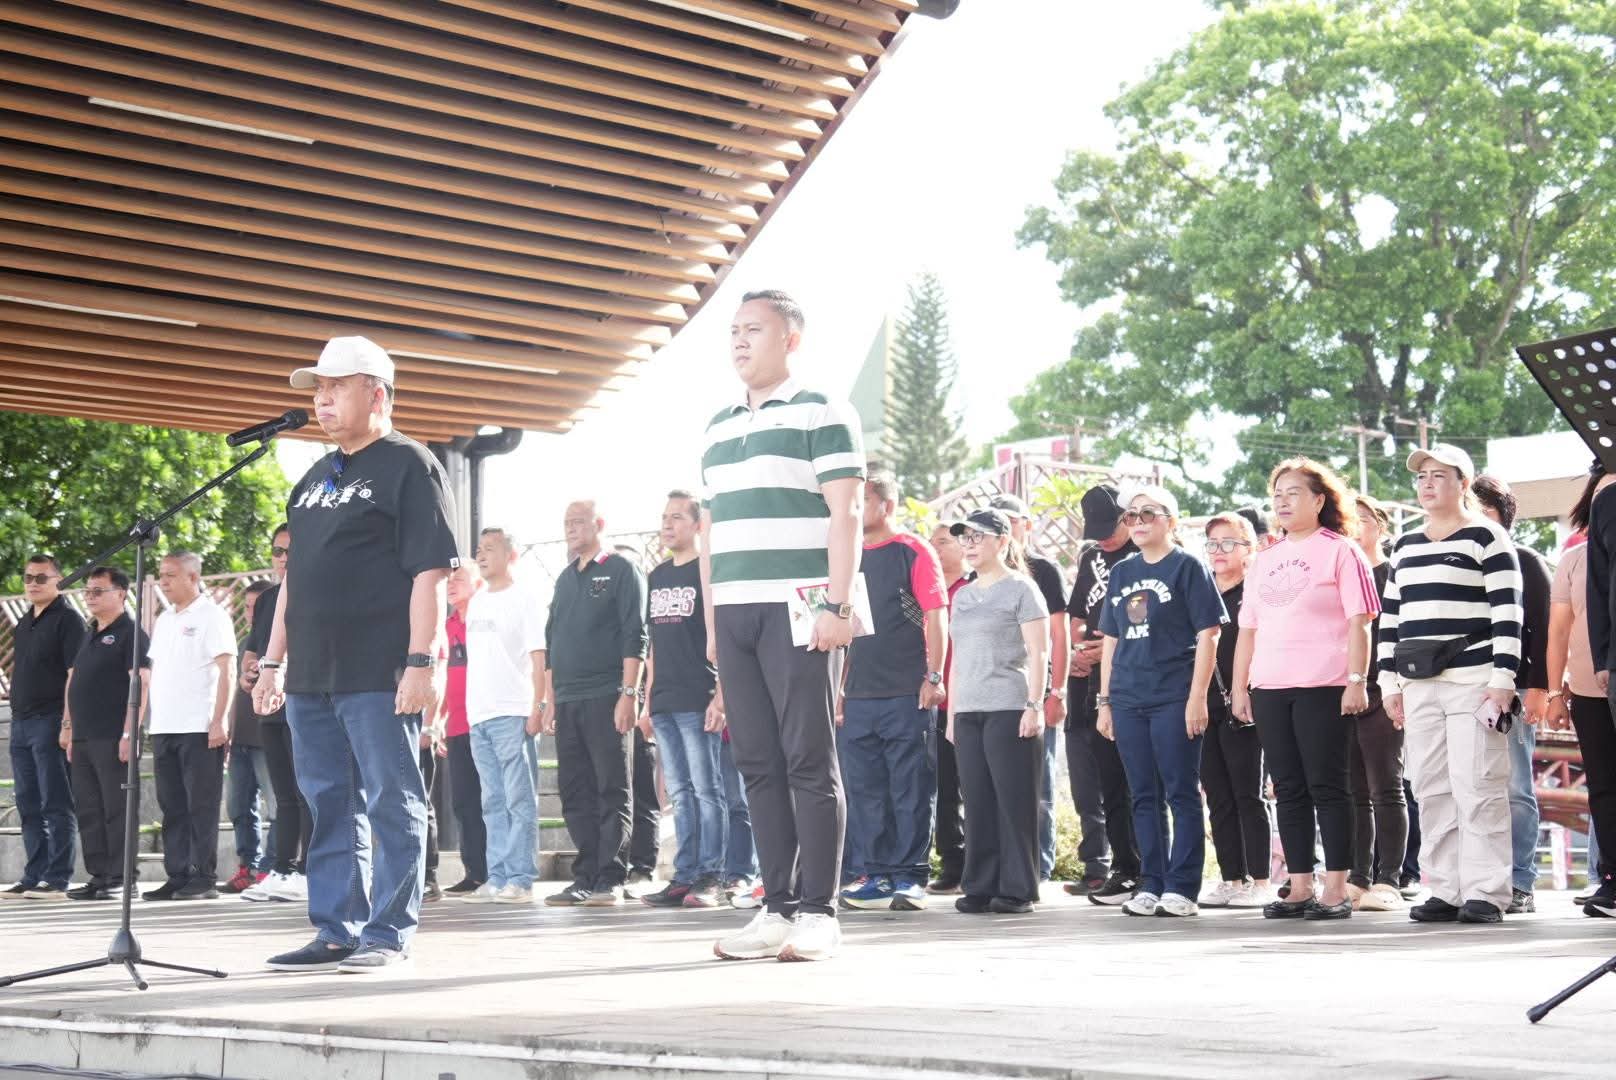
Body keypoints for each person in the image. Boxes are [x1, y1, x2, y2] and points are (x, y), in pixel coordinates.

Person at [254, 336, 461, 972]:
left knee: (392, 801)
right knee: (327, 801)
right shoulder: (312, 479)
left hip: (378, 668)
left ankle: (387, 933)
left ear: (376, 393)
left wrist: (421, 663)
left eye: (336, 386)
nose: (322, 399)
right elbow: (293, 582)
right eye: (318, 388)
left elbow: (430, 573)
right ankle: (336, 929)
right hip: (311, 673)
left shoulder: (411, 464)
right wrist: (272, 662)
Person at [704, 289, 864, 963]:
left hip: (800, 605)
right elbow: (711, 533)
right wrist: (712, 623)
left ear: (791, 340)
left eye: (755, 330)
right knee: (756, 763)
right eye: (734, 331)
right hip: (735, 610)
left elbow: (845, 514)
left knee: (808, 758)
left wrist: (838, 605)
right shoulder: (716, 427)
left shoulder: (824, 410)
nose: (740, 341)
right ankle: (776, 908)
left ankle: (820, 912)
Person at [1380, 443, 1522, 925]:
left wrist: (1503, 678)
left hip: (1474, 682)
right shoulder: (1404, 545)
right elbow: (1390, 618)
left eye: (1439, 475)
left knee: (1479, 784)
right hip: (1418, 685)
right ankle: (1444, 888)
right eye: (1422, 476)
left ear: (1463, 483)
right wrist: (1388, 682)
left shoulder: (1487, 536)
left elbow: (1508, 612)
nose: (1427, 483)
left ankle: (1487, 892)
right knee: (1431, 787)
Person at [1232, 460, 1378, 921]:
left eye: (1293, 492)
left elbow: (1360, 622)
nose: (1282, 501)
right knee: (1288, 787)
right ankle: (1299, 886)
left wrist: (1356, 681)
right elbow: (1248, 630)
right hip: (1270, 687)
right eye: (1277, 493)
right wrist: (1240, 687)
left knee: (1328, 785)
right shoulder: (1264, 559)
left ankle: (1335, 888)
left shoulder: (1342, 551)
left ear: (1319, 500)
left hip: (1324, 685)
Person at [1097, 487, 1226, 918]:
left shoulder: (1188, 566)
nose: (1137, 522)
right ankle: (1151, 882)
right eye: (1131, 515)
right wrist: (1105, 701)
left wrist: (1197, 697)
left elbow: (1209, 634)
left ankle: (1182, 887)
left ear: (1170, 520)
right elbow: (1111, 639)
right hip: (1128, 696)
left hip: (1173, 693)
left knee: (1181, 791)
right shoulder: (1121, 572)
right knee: (1142, 794)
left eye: (1148, 513)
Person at [837, 474, 947, 912]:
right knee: (865, 790)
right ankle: (878, 875)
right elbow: (844, 627)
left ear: (886, 505)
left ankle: (910, 877)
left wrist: (933, 676)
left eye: (862, 500)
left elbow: (936, 615)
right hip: (858, 696)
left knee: (911, 788)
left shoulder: (913, 550)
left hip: (907, 691)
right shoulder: (847, 556)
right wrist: (840, 689)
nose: (854, 508)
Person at [541, 500, 648, 908]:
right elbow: (552, 642)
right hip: (567, 698)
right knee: (574, 790)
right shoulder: (565, 578)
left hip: (607, 694)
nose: (570, 528)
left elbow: (635, 634)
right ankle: (584, 876)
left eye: (578, 521)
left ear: (599, 524)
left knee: (612, 787)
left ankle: (610, 876)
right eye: (566, 522)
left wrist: (628, 694)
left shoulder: (621, 569)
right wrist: (550, 700)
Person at [946, 508, 1049, 914]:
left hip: (1009, 706)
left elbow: (1040, 652)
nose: (969, 545)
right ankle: (980, 885)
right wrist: (952, 715)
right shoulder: (963, 595)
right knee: (976, 800)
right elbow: (957, 658)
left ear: (1003, 541)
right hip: (968, 710)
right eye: (964, 537)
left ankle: (1018, 888)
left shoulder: (1022, 589)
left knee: (1014, 801)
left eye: (978, 537)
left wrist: (1034, 705)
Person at [640, 490, 728, 910]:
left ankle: (713, 875)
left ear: (697, 525)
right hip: (664, 700)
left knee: (707, 789)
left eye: (677, 517)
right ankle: (685, 875)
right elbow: (654, 645)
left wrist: (721, 695)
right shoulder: (656, 576)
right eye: (665, 516)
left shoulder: (706, 571)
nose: (667, 523)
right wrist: (647, 701)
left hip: (699, 696)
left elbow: (722, 638)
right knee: (678, 792)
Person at [1471, 475, 1550, 915]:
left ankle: (1520, 880)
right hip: (1463, 685)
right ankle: (1477, 881)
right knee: (1470, 787)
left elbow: (1541, 629)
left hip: (1515, 687)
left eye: (1485, 510)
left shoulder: (1525, 561)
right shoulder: (1451, 561)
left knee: (1516, 787)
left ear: (1504, 516)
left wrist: (1539, 687)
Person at [1062, 483, 1144, 905]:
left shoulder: (1142, 555)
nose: (1104, 538)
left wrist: (1109, 650)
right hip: (1090, 683)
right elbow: (1076, 613)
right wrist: (1077, 647)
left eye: (1109, 528)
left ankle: (1148, 868)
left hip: (1131, 678)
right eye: (1096, 530)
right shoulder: (1091, 557)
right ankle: (1122, 867)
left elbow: (1150, 621)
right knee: (1107, 781)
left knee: (1137, 782)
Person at [461, 527, 547, 905]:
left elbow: (539, 657)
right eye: (479, 550)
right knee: (491, 802)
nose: (481, 555)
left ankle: (521, 879)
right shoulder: (478, 601)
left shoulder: (525, 598)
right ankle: (496, 878)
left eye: (490, 549)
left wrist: (538, 706)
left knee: (518, 801)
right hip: (479, 715)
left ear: (511, 555)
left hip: (513, 712)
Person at [145, 551, 236, 902]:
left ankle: (203, 877)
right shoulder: (165, 619)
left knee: (201, 805)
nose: (163, 582)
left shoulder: (213, 616)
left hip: (199, 725)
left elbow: (227, 670)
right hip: (164, 726)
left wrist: (219, 719)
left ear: (193, 577)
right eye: (161, 574)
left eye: (170, 575)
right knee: (172, 806)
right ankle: (178, 875)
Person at [987, 493, 1069, 881]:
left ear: (1027, 525)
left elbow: (1058, 635)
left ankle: (1040, 866)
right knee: (993, 786)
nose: (1004, 528)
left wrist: (1057, 691)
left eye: (1011, 520)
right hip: (993, 695)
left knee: (1039, 783)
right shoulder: (980, 575)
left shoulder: (1044, 570)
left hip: (1035, 692)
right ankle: (1002, 866)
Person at [1196, 513, 1271, 909]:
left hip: (1245, 703)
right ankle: (1231, 878)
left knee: (1249, 793)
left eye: (1229, 543)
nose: (1219, 551)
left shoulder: (1256, 591)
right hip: (1205, 703)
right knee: (1218, 795)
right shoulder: (1201, 592)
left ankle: (1260, 879)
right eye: (1212, 543)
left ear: (1248, 549)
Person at [61, 566, 149, 900]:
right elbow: (74, 682)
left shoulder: (131, 633)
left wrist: (130, 733)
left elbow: (140, 683)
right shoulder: (89, 633)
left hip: (113, 735)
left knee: (117, 809)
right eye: (88, 591)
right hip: (83, 736)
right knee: (89, 809)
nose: (90, 596)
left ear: (121, 594)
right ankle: (99, 876)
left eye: (98, 591)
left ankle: (122, 878)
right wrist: (69, 727)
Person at [3, 555, 86, 900]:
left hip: (50, 720)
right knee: (28, 803)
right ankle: (32, 875)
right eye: (28, 578)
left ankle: (57, 878)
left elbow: (74, 676)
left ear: (58, 580)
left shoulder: (69, 620)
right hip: (21, 722)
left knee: (56, 801)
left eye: (41, 577)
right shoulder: (25, 621)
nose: (33, 584)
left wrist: (67, 723)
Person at [240, 524, 311, 904]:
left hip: (304, 701)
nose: (283, 558)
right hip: (270, 707)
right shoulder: (268, 598)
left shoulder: (313, 590)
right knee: (282, 795)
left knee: (306, 792)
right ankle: (282, 868)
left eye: (290, 550)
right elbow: (254, 647)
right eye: (277, 551)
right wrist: (249, 673)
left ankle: (308, 871)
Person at [1347, 496, 1409, 912]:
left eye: (1363, 520)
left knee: (1386, 786)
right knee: (1353, 790)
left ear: (1381, 527)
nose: (1354, 528)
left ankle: (1390, 878)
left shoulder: (1393, 573)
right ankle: (1358, 876)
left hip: (1384, 688)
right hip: (1343, 691)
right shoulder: (1340, 573)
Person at [1573, 461, 1616, 915]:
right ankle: (1613, 878)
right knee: (1605, 783)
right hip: (1608, 669)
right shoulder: (1608, 505)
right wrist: (1603, 659)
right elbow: (1598, 591)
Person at [436, 563, 488, 896]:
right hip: (455, 724)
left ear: (478, 583)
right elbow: (443, 677)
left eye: (460, 579)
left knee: (492, 799)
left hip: (487, 720)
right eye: (449, 580)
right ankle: (475, 872)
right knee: (464, 801)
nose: (451, 584)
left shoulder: (485, 621)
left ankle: (499, 870)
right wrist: (439, 718)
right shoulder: (445, 625)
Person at [224, 580, 277, 895]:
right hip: (241, 739)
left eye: (257, 607)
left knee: (276, 807)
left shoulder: (278, 640)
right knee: (238, 806)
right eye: (246, 607)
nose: (251, 613)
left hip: (269, 737)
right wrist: (228, 730)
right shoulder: (246, 642)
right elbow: (235, 690)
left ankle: (271, 868)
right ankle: (247, 865)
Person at [927, 521, 970, 893]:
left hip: (972, 700)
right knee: (943, 787)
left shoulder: (973, 588)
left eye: (943, 542)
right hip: (936, 703)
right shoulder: (927, 589)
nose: (935, 549)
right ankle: (952, 864)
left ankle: (982, 863)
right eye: (932, 543)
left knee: (974, 786)